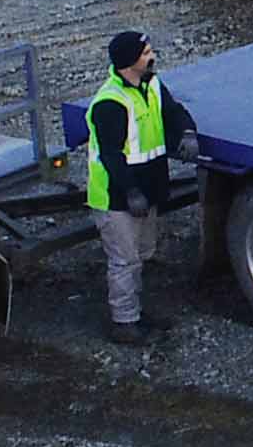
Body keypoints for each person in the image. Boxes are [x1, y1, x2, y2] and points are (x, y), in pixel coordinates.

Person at [78, 30, 199, 343]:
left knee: (143, 252)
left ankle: (136, 312)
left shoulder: (152, 84)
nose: (152, 55)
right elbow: (111, 156)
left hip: (147, 190)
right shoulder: (110, 103)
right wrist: (131, 192)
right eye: (146, 52)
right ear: (129, 62)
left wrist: (187, 132)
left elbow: (174, 112)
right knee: (125, 260)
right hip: (117, 197)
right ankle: (124, 322)